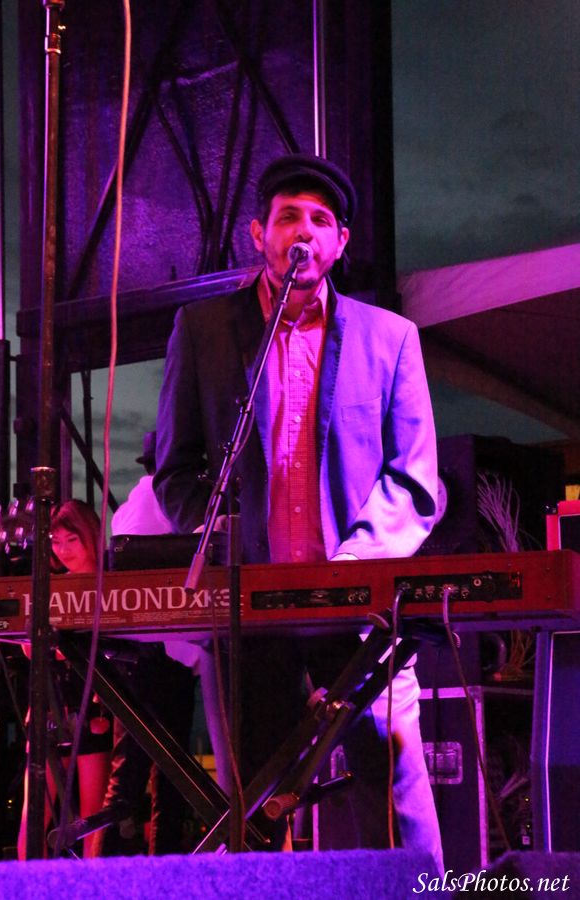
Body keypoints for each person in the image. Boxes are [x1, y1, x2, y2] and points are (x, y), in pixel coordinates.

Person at [154, 153, 442, 868]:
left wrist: (356, 565)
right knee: (255, 816)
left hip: (361, 610)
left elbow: (415, 481)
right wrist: (217, 535)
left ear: (340, 241)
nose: (303, 231)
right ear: (259, 234)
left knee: (394, 800)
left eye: (320, 220)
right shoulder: (202, 330)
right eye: (288, 217)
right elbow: (176, 470)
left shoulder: (391, 337)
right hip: (248, 617)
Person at [95, 433, 198, 855]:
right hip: (169, 654)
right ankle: (164, 869)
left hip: (132, 656)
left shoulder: (126, 510)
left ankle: (100, 870)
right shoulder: (173, 503)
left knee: (127, 776)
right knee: (171, 779)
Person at [17, 499, 112, 859]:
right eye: (55, 542)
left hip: (94, 708)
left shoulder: (112, 586)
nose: (63, 550)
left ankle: (89, 884)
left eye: (71, 540)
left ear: (91, 536)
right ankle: (28, 883)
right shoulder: (51, 587)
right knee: (33, 815)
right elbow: (28, 649)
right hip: (49, 704)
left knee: (92, 818)